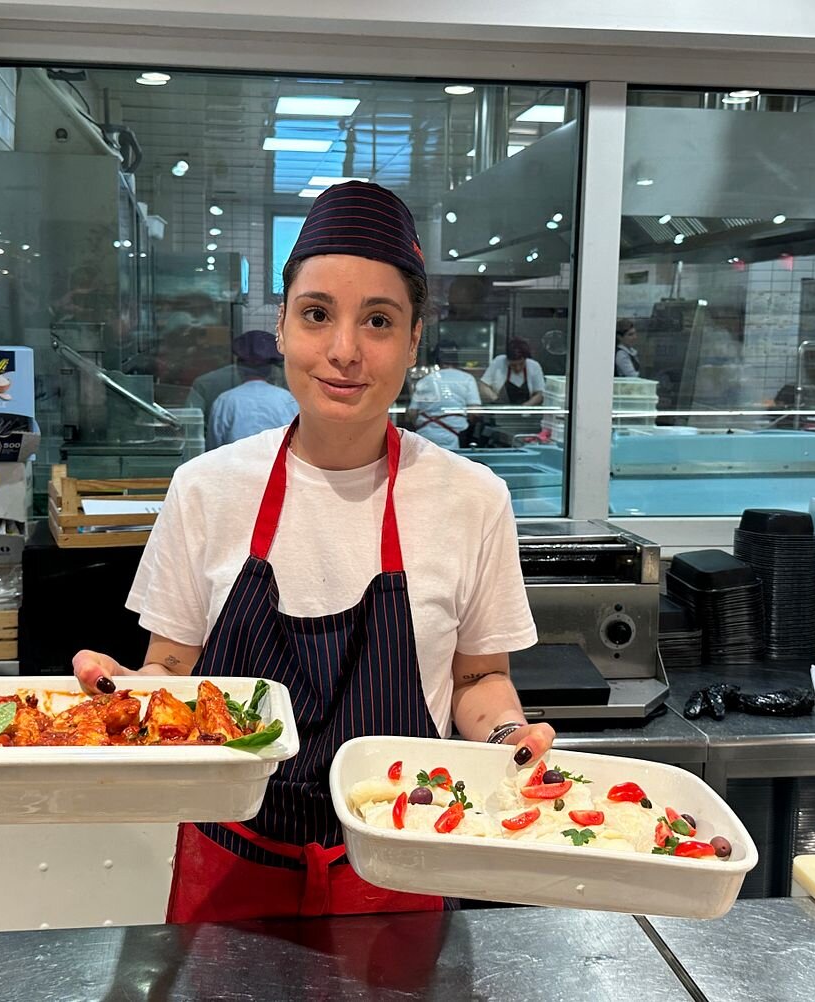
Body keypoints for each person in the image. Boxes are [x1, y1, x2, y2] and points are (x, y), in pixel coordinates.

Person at [72, 181, 553, 923]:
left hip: (404, 858)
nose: (343, 351)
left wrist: (508, 737)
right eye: (317, 314)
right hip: (229, 859)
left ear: (414, 340)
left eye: (379, 321)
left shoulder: (471, 498)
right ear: (282, 325)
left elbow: (479, 678)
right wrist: (129, 695)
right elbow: (171, 671)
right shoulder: (206, 488)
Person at [208, 330, 299, 449]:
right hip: (278, 461)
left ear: (239, 367)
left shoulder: (225, 401)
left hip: (235, 461)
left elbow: (213, 449)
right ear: (271, 369)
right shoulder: (288, 400)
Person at [186, 328, 285, 421]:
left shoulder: (211, 388)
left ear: (238, 363)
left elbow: (191, 424)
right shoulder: (285, 398)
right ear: (270, 368)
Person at [405, 341, 482, 449]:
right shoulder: (467, 379)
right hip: (455, 437)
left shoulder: (425, 380)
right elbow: (474, 412)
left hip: (425, 436)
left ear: (436, 359)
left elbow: (412, 413)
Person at [480, 337, 545, 406]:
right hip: (501, 408)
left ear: (526, 359)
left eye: (521, 364)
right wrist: (496, 399)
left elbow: (540, 394)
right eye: (513, 365)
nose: (518, 368)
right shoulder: (499, 361)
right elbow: (483, 385)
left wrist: (524, 407)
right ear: (507, 360)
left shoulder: (534, 366)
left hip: (526, 409)